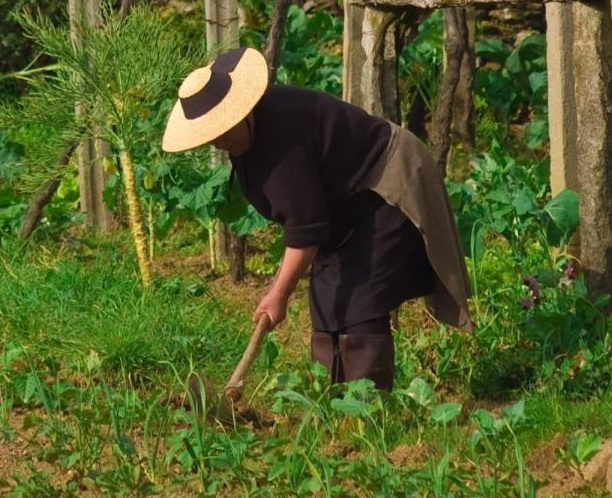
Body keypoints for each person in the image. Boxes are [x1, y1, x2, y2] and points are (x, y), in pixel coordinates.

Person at [161, 46, 473, 391]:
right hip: (342, 204)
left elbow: (305, 229)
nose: (219, 141)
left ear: (241, 112)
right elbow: (305, 216)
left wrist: (278, 293)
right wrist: (280, 288)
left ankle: (367, 407)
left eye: (223, 128)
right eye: (211, 135)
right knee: (327, 301)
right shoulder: (246, 139)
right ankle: (331, 401)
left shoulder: (281, 140)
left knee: (360, 300)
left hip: (384, 183)